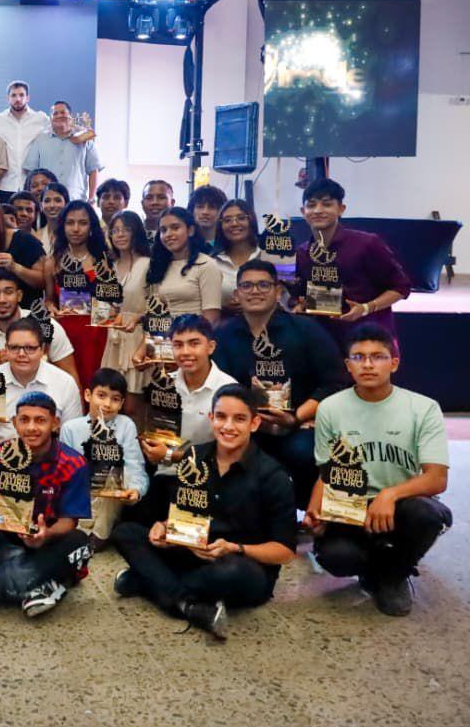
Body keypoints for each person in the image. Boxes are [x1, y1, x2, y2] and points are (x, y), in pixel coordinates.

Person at [111, 384, 297, 638]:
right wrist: (164, 527)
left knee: (229, 572)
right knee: (125, 532)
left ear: (254, 423)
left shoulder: (273, 476)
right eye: (221, 417)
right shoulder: (193, 456)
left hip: (240, 564)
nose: (228, 426)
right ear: (211, 418)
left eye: (239, 419)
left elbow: (285, 551)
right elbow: (181, 513)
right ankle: (187, 604)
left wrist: (234, 548)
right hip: (191, 552)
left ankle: (149, 582)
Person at [307, 325, 452, 617]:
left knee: (426, 516)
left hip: (402, 504)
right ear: (348, 366)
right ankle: (376, 566)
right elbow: (327, 471)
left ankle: (394, 575)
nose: (368, 364)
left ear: (394, 363)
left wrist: (390, 495)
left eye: (378, 356)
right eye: (358, 357)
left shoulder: (423, 408)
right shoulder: (330, 408)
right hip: (351, 504)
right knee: (336, 557)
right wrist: (315, 509)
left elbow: (437, 478)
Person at [213, 260, 349, 507]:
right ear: (237, 294)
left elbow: (335, 382)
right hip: (243, 426)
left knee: (301, 452)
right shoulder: (223, 334)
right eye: (247, 286)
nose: (255, 291)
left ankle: (306, 516)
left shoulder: (306, 330)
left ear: (278, 292)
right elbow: (219, 386)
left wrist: (296, 417)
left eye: (263, 285)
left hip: (298, 425)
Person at [0, 390, 92, 617]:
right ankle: (38, 577)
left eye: (40, 420)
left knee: (80, 541)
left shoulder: (73, 463)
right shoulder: (1, 453)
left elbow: (69, 521)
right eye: (24, 420)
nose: (31, 427)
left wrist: (46, 535)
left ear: (55, 423)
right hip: (10, 537)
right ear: (15, 423)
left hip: (48, 542)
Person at [293, 178, 411, 352]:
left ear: (341, 209)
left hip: (369, 341)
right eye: (311, 205)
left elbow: (401, 287)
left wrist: (365, 308)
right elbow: (303, 296)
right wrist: (299, 305)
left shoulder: (366, 243)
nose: (318, 210)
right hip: (325, 343)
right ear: (303, 212)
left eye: (326, 204)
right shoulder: (302, 252)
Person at [134, 315, 237, 495]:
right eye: (178, 345)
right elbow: (156, 432)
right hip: (166, 475)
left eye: (194, 344)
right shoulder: (164, 384)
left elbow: (230, 451)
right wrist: (151, 446)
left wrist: (170, 456)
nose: (186, 352)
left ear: (211, 347)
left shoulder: (228, 390)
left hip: (211, 478)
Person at [0, 318, 83, 453]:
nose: (21, 354)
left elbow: (72, 442)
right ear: (6, 349)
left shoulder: (64, 383)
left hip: (49, 461)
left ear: (42, 350)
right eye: (14, 348)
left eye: (30, 348)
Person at [59, 368, 147, 545]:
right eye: (101, 396)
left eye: (115, 399)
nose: (107, 404)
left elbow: (135, 465)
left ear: (122, 403)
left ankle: (99, 535)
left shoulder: (126, 425)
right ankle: (84, 529)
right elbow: (65, 470)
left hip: (112, 494)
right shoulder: (71, 428)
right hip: (83, 492)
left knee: (114, 474)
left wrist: (136, 490)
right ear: (87, 395)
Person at [0, 268, 79, 388]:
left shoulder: (47, 326)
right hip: (6, 396)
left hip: (48, 394)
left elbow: (71, 377)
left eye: (8, 292)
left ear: (19, 296)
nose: (2, 300)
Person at [46, 200, 110, 387]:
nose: (76, 229)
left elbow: (113, 303)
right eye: (70, 223)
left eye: (82, 223)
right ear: (62, 226)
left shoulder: (104, 260)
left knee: (96, 385)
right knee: (68, 385)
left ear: (91, 227)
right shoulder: (52, 262)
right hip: (65, 333)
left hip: (96, 333)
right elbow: (49, 300)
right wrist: (51, 309)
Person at [99, 210, 153, 418]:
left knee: (132, 406)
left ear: (136, 232)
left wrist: (140, 317)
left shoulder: (147, 264)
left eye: (126, 229)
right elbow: (106, 304)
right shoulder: (109, 267)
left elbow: (159, 306)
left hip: (137, 336)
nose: (120, 234)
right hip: (113, 338)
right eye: (115, 230)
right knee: (110, 401)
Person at [145, 206, 222, 325]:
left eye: (175, 228)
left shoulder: (206, 265)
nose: (168, 234)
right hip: (166, 334)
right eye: (163, 230)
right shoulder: (163, 265)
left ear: (190, 230)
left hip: (196, 334)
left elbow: (212, 319)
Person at [22, 100, 102, 202]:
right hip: (47, 202)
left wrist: (91, 198)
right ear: (50, 118)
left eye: (63, 112)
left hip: (75, 200)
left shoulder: (85, 138)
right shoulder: (40, 139)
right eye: (55, 113)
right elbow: (31, 171)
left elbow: (93, 170)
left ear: (71, 116)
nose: (59, 116)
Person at [0, 81, 47, 199]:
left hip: (32, 185)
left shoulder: (41, 119)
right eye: (13, 95)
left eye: (21, 95)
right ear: (8, 98)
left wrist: (79, 131)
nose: (18, 99)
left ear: (27, 98)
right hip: (5, 184)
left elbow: (58, 132)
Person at [213, 199, 262, 311]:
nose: (234, 224)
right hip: (224, 320)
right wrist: (223, 307)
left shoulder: (268, 255)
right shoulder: (212, 262)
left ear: (251, 221)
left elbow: (284, 298)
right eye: (227, 220)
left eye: (241, 218)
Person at [187, 185, 227, 253]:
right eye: (200, 207)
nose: (205, 212)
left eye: (212, 207)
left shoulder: (229, 243)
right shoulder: (185, 243)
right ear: (192, 210)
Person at [38, 182, 69, 255]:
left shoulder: (74, 234)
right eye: (47, 201)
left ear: (66, 203)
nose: (52, 205)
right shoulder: (37, 237)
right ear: (41, 205)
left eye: (57, 200)